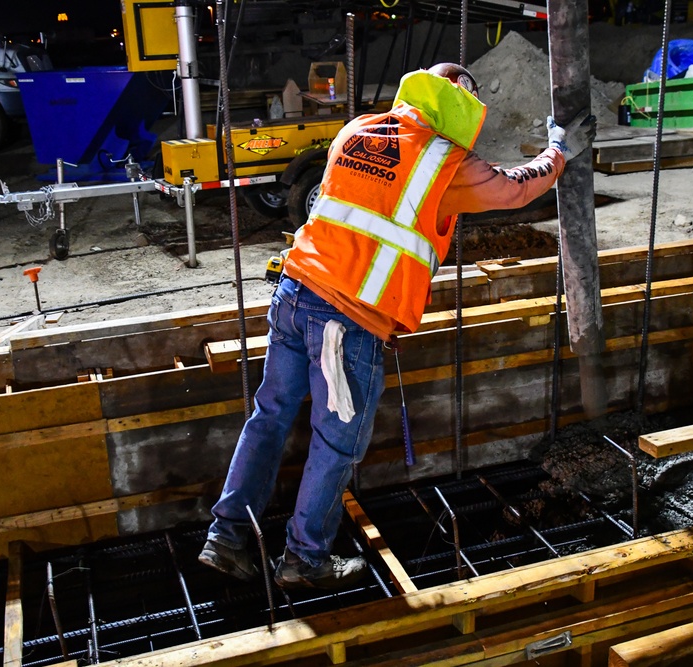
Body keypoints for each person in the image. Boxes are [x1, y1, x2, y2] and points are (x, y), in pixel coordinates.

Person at [199, 63, 596, 590]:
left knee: (269, 419)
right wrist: (559, 152)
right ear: (460, 112)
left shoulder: (359, 130)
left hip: (294, 293)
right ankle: (304, 560)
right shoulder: (442, 161)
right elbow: (512, 190)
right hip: (346, 321)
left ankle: (226, 540)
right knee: (336, 443)